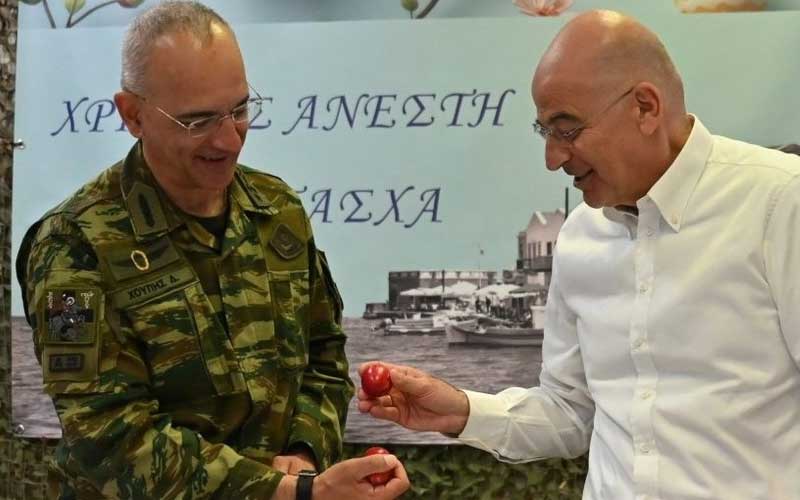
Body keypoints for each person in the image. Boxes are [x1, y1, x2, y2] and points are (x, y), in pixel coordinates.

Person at [359, 10, 800, 500]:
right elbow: (569, 412)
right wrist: (461, 411)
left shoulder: (781, 201)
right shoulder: (580, 233)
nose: (552, 158)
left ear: (645, 107)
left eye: (566, 129)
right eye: (544, 132)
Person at [16, 2, 409, 499]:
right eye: (197, 121)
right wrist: (285, 491)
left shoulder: (277, 210)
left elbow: (324, 358)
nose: (229, 140)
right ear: (133, 115)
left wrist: (304, 452)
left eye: (239, 110)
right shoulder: (74, 246)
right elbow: (108, 437)